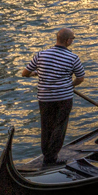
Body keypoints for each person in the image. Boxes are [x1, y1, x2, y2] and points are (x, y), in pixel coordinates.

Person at [21, 28, 84, 167]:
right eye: (72, 39)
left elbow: (24, 73)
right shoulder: (73, 57)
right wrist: (71, 86)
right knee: (59, 127)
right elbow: (80, 78)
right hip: (64, 98)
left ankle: (47, 155)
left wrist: (36, 73)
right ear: (67, 40)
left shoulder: (40, 55)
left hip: (45, 98)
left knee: (46, 126)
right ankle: (51, 158)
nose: (72, 41)